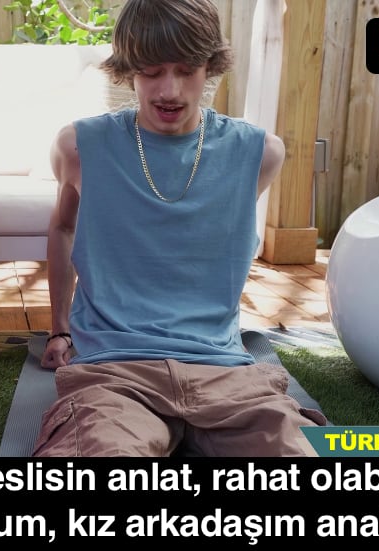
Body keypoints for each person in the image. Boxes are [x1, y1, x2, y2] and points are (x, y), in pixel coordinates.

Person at [34, 0, 327, 457]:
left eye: (186, 70)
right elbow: (63, 228)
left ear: (210, 66)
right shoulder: (79, 147)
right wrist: (59, 330)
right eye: (151, 72)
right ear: (128, 69)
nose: (168, 90)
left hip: (226, 372)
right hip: (115, 371)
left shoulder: (259, 153)